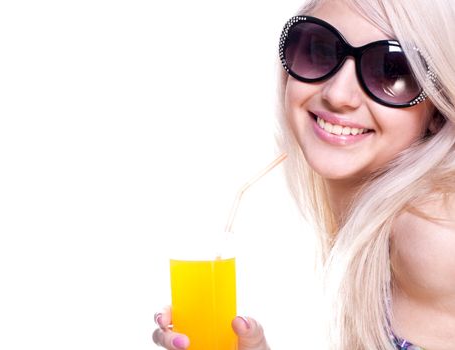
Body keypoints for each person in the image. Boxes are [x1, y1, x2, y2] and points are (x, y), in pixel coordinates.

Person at [153, 0, 455, 348]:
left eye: (391, 70)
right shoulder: (393, 221)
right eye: (320, 50)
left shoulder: (432, 233)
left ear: (439, 107)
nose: (338, 95)